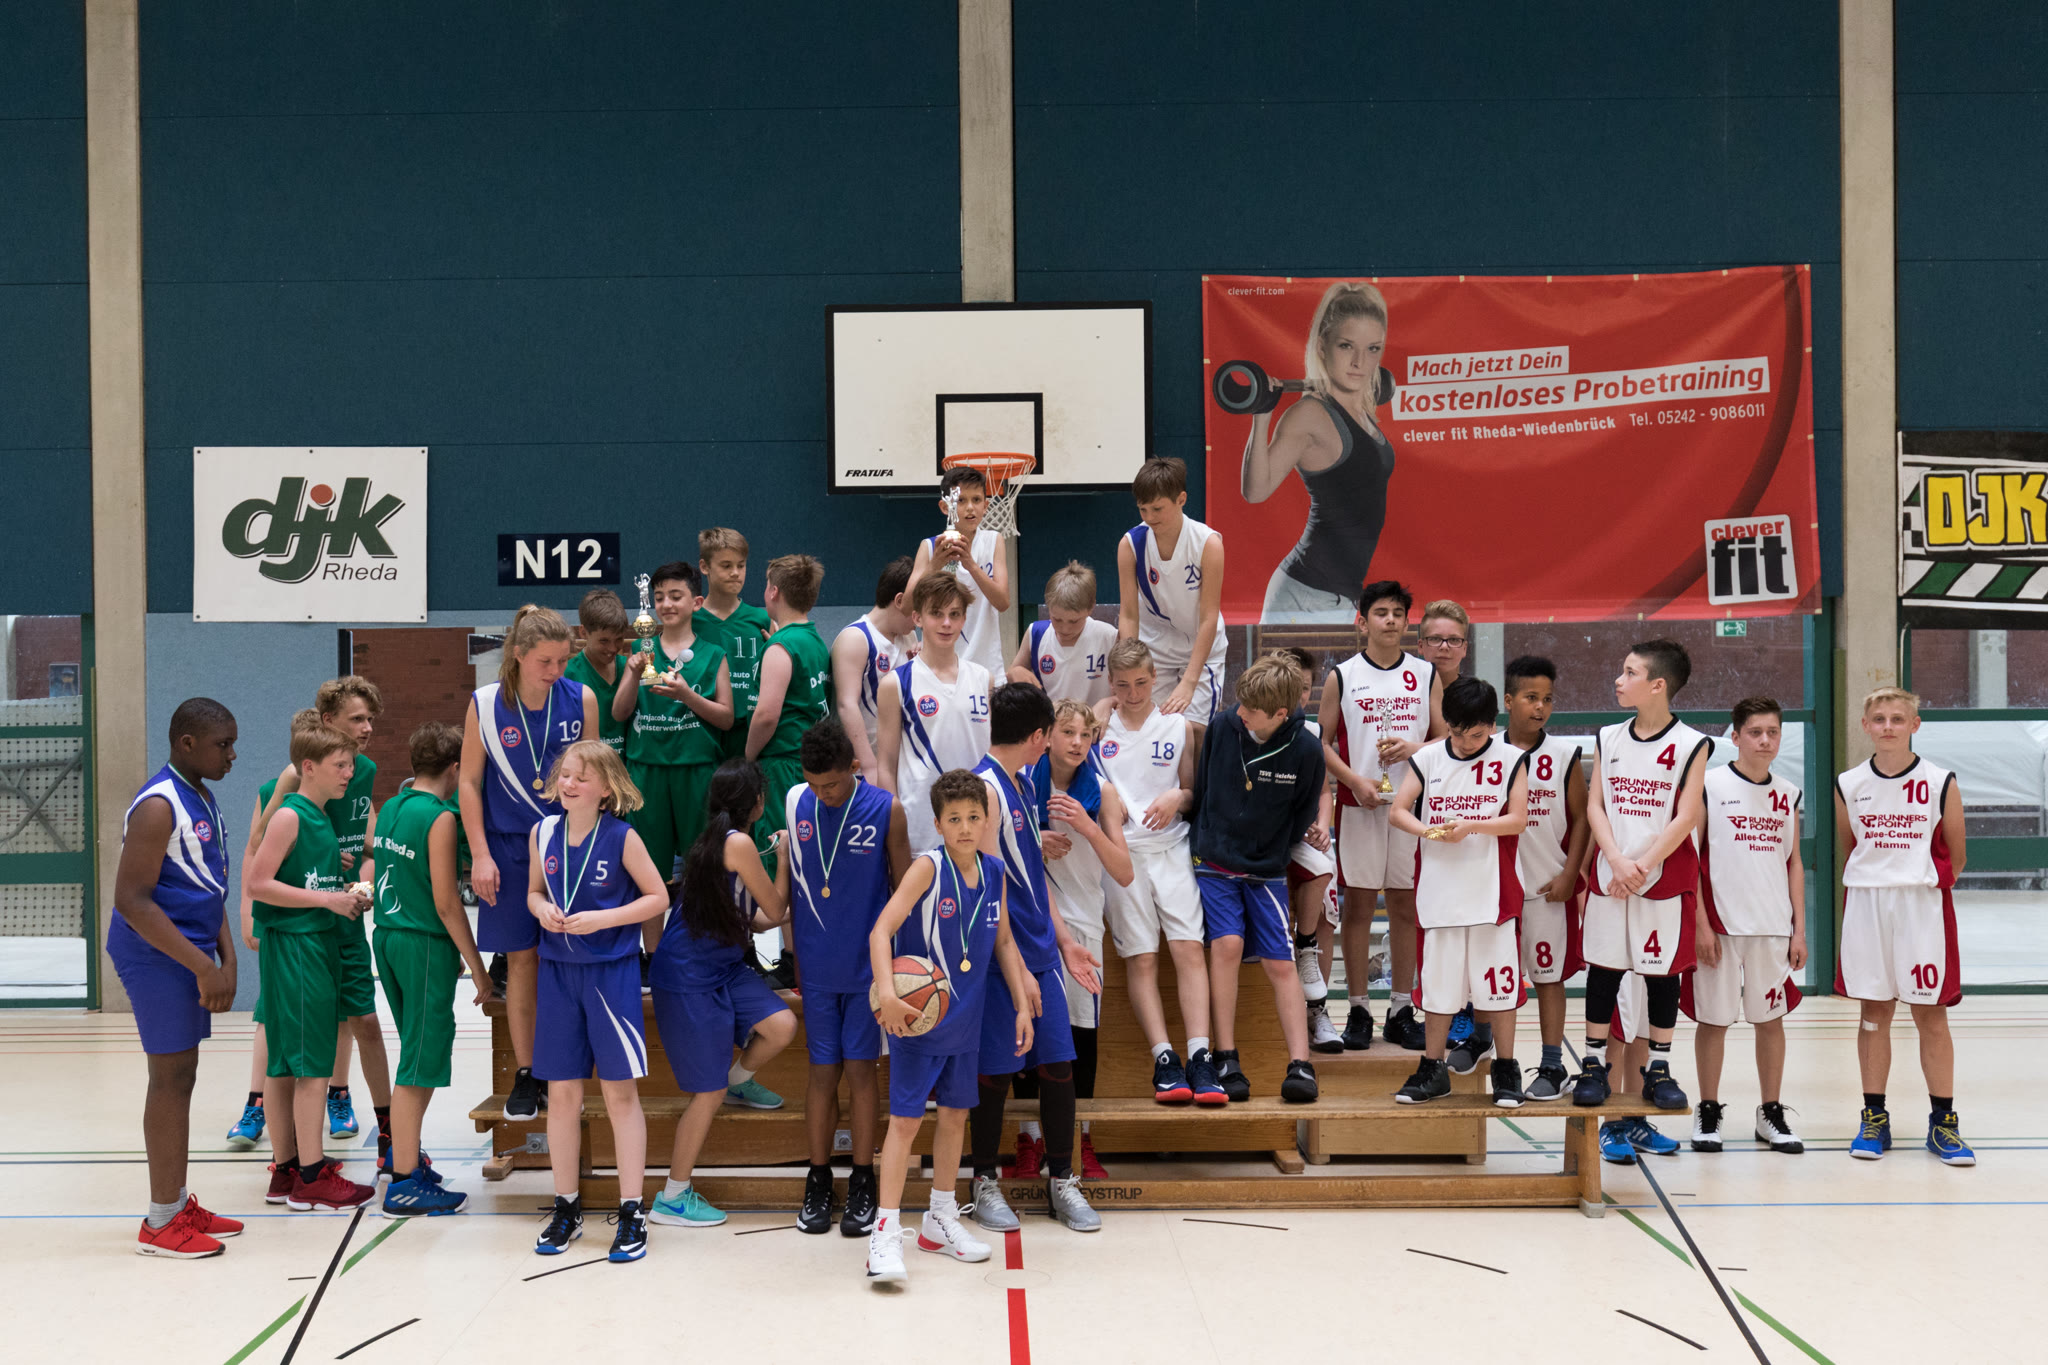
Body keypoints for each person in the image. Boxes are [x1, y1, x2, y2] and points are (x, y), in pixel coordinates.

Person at [865, 770, 1035, 1287]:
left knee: (957, 1116)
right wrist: (888, 992)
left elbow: (1004, 942)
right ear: (938, 824)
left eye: (973, 817)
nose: (965, 827)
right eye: (954, 818)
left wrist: (1021, 1002)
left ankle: (939, 1219)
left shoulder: (995, 871)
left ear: (987, 822)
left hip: (967, 1017)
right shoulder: (927, 868)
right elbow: (881, 931)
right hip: (919, 1019)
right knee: (905, 1123)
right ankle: (884, 1232)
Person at [965, 685, 1104, 1234]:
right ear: (1039, 735)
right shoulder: (984, 790)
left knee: (1058, 1067)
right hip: (1002, 957)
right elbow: (991, 890)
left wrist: (1064, 941)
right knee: (996, 1071)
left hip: (1042, 950)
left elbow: (1031, 876)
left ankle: (1062, 1180)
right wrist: (1017, 968)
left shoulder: (1022, 783)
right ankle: (983, 1180)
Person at [528, 741, 670, 1261]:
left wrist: (603, 919)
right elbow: (533, 892)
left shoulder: (622, 837)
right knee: (562, 1095)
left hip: (611, 976)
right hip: (557, 974)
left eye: (581, 778)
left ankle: (632, 1211)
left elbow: (658, 897)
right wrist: (541, 909)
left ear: (605, 789)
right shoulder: (542, 832)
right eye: (565, 775)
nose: (568, 784)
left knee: (618, 1095)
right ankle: (566, 1206)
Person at [115, 698, 246, 1257]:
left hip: (189, 949)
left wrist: (228, 957)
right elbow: (131, 901)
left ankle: (175, 1202)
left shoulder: (202, 795)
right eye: (223, 744)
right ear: (187, 743)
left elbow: (208, 885)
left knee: (183, 1075)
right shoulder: (158, 806)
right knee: (169, 1079)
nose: (232, 755)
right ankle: (159, 1223)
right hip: (156, 953)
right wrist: (201, 965)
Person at [460, 605, 602, 1123]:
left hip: (569, 845)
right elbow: (468, 783)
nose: (556, 671)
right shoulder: (484, 704)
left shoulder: (581, 698)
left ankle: (568, 1066)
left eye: (564, 660)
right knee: (521, 962)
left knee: (571, 954)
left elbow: (596, 776)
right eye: (546, 661)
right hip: (509, 850)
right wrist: (479, 854)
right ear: (518, 654)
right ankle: (527, 1071)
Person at [648, 760, 799, 1230]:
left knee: (781, 1025)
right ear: (758, 804)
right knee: (706, 1093)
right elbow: (775, 907)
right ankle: (673, 1196)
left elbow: (755, 918)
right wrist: (784, 859)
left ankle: (739, 1080)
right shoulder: (738, 843)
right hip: (688, 976)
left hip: (723, 966)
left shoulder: (713, 841)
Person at [246, 678, 387, 1152]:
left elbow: (362, 843)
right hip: (298, 922)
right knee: (282, 1028)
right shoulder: (293, 783)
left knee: (357, 1020)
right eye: (357, 719)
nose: (367, 728)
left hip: (339, 911)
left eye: (371, 719)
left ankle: (363, 1114)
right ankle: (267, 1120)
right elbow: (261, 849)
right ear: (328, 722)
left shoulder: (363, 772)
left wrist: (359, 878)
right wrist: (249, 915)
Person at [1570, 640, 1709, 1118]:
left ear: (1657, 685)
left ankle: (1660, 1069)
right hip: (1612, 873)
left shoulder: (1692, 744)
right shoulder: (1608, 736)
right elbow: (1596, 805)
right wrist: (1615, 859)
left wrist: (1642, 865)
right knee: (1604, 969)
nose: (1619, 679)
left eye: (1630, 672)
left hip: (1660, 876)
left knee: (1661, 975)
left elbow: (1686, 817)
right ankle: (1592, 1066)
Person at [1837, 688, 1974, 1166]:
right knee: (1873, 1013)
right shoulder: (1849, 783)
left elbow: (1957, 854)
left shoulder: (1940, 780)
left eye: (1898, 719)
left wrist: (1916, 880)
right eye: (1879, 719)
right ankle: (1874, 1119)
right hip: (1868, 903)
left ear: (1915, 725)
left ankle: (1944, 1123)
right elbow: (1850, 847)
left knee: (1930, 1015)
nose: (1888, 726)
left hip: (1921, 906)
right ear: (1865, 726)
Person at [786, 720, 911, 1235]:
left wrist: (899, 969)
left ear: (854, 768)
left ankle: (862, 1179)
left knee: (861, 1072)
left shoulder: (887, 809)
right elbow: (792, 883)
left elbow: (904, 890)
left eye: (832, 784)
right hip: (816, 967)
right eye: (814, 784)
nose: (824, 793)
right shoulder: (796, 803)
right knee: (821, 1074)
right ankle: (818, 1179)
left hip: (867, 970)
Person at [1388, 677, 1531, 1106]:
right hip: (1439, 894)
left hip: (1493, 894)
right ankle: (1433, 1069)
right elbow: (1398, 811)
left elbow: (1518, 819)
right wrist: (1430, 832)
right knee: (1439, 989)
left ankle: (1505, 1067)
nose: (1467, 743)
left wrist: (1471, 826)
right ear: (1446, 724)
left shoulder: (1511, 758)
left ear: (1493, 724)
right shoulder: (1428, 758)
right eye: (1457, 733)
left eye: (1477, 735)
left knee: (1499, 987)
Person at [373, 721, 495, 1215]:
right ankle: (405, 1180)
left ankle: (404, 1158)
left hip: (388, 937)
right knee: (418, 1064)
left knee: (414, 1053)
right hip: (422, 945)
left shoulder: (392, 807)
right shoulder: (440, 818)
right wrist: (479, 970)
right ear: (455, 769)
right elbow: (448, 903)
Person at [1193, 653, 1326, 1103]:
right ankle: (1226, 1056)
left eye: (1251, 709)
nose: (1241, 713)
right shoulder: (1223, 727)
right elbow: (1205, 789)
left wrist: (1270, 851)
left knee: (1280, 963)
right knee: (1227, 945)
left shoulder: (1306, 749)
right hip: (1215, 863)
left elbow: (1303, 811)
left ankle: (1301, 1064)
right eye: (1241, 704)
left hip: (1266, 869)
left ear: (1280, 713)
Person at [1092, 639, 1220, 1103]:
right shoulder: (1096, 729)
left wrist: (1177, 797)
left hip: (1172, 849)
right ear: (1110, 683)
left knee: (1188, 949)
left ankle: (1201, 1055)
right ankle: (1165, 1059)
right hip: (1122, 855)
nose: (1132, 693)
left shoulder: (1177, 726)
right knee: (1141, 957)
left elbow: (1191, 792)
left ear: (1155, 679)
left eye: (1141, 683)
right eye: (1122, 685)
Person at [1319, 581, 1444, 1051]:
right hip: (1360, 805)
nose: (1390, 620)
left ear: (1407, 623)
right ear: (1362, 621)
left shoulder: (1425, 674)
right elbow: (1321, 742)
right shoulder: (1342, 676)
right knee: (1357, 906)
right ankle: (1357, 1009)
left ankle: (1400, 1009)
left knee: (1405, 907)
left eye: (1397, 613)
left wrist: (1414, 748)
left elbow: (1445, 738)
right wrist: (1354, 781)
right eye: (1380, 612)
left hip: (1410, 808)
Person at [1686, 697, 1806, 1155]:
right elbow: (1692, 859)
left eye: (1773, 732)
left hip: (1772, 927)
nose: (1765, 740)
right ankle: (1708, 1110)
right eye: (1755, 732)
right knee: (1714, 1021)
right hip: (1720, 925)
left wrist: (1798, 929)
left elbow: (1794, 862)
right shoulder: (1709, 786)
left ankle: (1770, 1111)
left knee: (1770, 1021)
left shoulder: (1788, 792)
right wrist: (1700, 924)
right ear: (1735, 737)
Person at [1240, 281, 1397, 622]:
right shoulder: (1309, 413)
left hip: (1340, 598)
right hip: (1303, 596)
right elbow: (1255, 491)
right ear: (1323, 346)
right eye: (1346, 346)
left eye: (1372, 349)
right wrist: (1262, 414)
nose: (1359, 362)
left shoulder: (1363, 410)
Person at [1038, 699, 1133, 1178]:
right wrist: (1035, 839)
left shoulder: (1102, 790)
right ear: (1047, 736)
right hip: (1034, 922)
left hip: (1085, 926)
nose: (1077, 742)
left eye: (1086, 734)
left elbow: (1125, 872)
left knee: (1081, 1039)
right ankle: (1029, 1141)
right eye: (1068, 732)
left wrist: (1088, 827)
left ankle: (1082, 1140)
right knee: (1031, 1035)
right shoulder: (1021, 782)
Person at [614, 560, 733, 905]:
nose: (666, 604)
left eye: (676, 596)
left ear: (696, 602)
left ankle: (699, 937)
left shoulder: (714, 655)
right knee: (648, 874)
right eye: (659, 597)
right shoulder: (640, 651)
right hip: (646, 770)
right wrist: (632, 675)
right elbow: (620, 713)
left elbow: (726, 718)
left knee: (703, 869)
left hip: (696, 770)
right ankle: (651, 941)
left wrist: (687, 696)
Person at [1501, 656, 1589, 1101]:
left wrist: (1570, 874)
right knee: (1493, 978)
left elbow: (1583, 818)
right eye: (1531, 697)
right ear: (1508, 700)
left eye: (1548, 699)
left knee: (1548, 978)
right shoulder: (1487, 751)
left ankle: (1553, 1065)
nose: (1540, 707)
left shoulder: (1564, 755)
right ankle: (1494, 1055)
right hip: (1496, 890)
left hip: (1546, 888)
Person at [876, 572, 994, 854]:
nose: (946, 623)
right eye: (936, 613)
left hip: (976, 825)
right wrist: (893, 828)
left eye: (954, 614)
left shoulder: (984, 679)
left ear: (964, 619)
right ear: (917, 618)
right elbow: (886, 765)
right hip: (920, 827)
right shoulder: (895, 684)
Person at [1117, 457, 1228, 729]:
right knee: (1150, 728)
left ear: (1181, 499)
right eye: (1143, 509)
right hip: (1154, 646)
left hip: (1200, 646)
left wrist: (1189, 682)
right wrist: (1131, 670)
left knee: (1195, 731)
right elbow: (1129, 614)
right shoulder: (1130, 545)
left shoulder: (1208, 544)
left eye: (1157, 508)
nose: (1149, 517)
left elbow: (1209, 617)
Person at [748, 553, 833, 878]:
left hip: (780, 764)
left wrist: (748, 755)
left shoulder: (781, 648)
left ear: (774, 592)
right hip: (806, 761)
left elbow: (766, 715)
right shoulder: (815, 641)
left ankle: (779, 910)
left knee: (778, 854)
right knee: (804, 852)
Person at [1273, 646, 1341, 1053]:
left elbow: (1324, 792)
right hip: (1268, 844)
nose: (1297, 694)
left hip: (1304, 840)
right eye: (1289, 685)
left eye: (1303, 687)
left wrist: (1323, 826)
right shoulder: (1255, 727)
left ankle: (1319, 1012)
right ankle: (1276, 1019)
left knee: (1326, 913)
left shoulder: (1313, 734)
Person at [908, 464, 1011, 679]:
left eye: (976, 500)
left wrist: (970, 564)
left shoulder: (993, 541)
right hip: (938, 669)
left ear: (986, 505)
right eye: (961, 500)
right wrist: (935, 565)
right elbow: (907, 606)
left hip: (986, 667)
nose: (970, 507)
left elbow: (1002, 602)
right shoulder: (929, 547)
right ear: (945, 507)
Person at [831, 555, 919, 776]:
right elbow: (846, 705)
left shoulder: (909, 638)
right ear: (900, 600)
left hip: (900, 764)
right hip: (863, 768)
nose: (921, 619)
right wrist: (869, 766)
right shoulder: (856, 638)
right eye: (918, 609)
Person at [694, 527, 773, 763]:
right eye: (726, 566)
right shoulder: (690, 620)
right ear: (705, 567)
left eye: (741, 565)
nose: (736, 573)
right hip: (701, 731)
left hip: (750, 732)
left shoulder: (761, 620)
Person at [1010, 560, 1118, 706]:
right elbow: (1012, 672)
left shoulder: (1109, 637)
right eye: (1057, 619)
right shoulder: (1036, 633)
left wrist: (1111, 702)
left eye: (1074, 621)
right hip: (1051, 718)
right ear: (1048, 606)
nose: (1064, 629)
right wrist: (1015, 671)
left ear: (1091, 608)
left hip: (1095, 718)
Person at [566, 588, 631, 757]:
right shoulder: (567, 674)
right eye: (604, 641)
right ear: (583, 632)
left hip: (628, 769)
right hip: (588, 766)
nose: (612, 648)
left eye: (619, 639)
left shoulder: (630, 669)